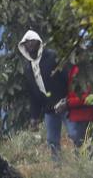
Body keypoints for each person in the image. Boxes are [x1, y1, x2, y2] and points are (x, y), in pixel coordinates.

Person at [17, 30, 67, 160]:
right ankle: (57, 166)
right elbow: (33, 94)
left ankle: (82, 160)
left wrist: (68, 99)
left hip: (65, 103)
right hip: (49, 108)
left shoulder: (52, 56)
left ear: (39, 42)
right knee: (52, 140)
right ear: (23, 46)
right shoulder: (28, 67)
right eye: (26, 43)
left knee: (75, 133)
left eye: (32, 41)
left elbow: (66, 77)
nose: (30, 44)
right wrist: (34, 116)